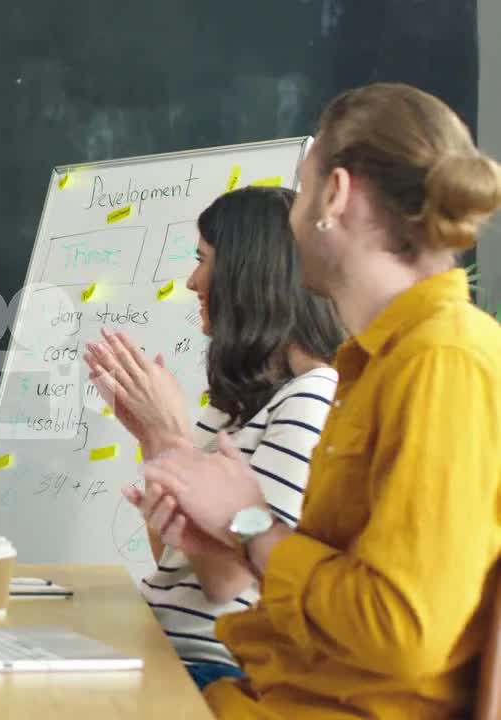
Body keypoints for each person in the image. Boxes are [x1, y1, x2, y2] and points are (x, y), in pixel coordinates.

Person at [134, 82, 501, 719]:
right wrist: (226, 532)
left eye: (302, 191)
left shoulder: (443, 359)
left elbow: (400, 633)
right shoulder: (377, 361)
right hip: (258, 693)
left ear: (335, 195)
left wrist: (251, 525)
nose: (294, 215)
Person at [84, 186, 343, 689]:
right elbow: (175, 558)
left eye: (203, 260)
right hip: (160, 642)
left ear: (247, 274)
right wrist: (154, 443)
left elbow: (233, 584)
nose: (191, 280)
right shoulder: (233, 407)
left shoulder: (313, 396)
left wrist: (169, 439)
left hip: (209, 663)